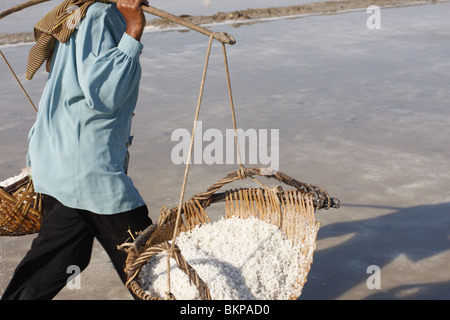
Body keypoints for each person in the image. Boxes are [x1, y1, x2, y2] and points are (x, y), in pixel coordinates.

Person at [1, 0, 152, 300]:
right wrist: (134, 31)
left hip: (60, 162)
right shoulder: (99, 14)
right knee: (153, 264)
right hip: (90, 172)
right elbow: (105, 93)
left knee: (61, 260)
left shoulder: (78, 12)